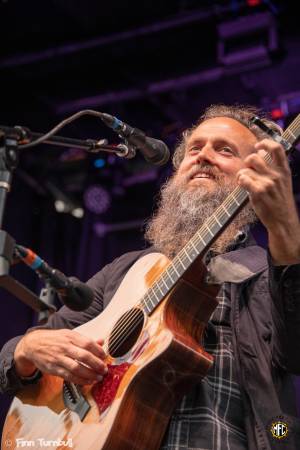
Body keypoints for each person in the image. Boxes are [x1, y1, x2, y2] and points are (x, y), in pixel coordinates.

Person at [1, 104, 300, 449]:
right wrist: (27, 349)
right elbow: (22, 352)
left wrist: (285, 230)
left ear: (257, 175)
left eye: (224, 149)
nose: (203, 156)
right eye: (195, 148)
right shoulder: (127, 271)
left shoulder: (269, 268)